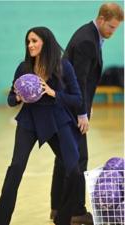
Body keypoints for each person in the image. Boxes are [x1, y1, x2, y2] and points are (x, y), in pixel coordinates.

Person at [0, 27, 83, 225]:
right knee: (16, 168)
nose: (30, 45)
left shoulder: (63, 66)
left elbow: (77, 99)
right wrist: (17, 96)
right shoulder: (23, 68)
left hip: (57, 119)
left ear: (46, 42)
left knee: (74, 170)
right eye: (28, 42)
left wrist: (53, 93)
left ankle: (63, 219)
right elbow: (10, 99)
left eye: (34, 41)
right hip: (29, 121)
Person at [50, 3, 123, 224]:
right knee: (78, 158)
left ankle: (57, 209)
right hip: (70, 110)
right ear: (100, 19)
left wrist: (86, 105)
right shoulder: (87, 41)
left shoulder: (91, 35)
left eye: (115, 28)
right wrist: (82, 112)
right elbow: (78, 80)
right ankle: (76, 212)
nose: (112, 32)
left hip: (67, 106)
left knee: (64, 159)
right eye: (110, 27)